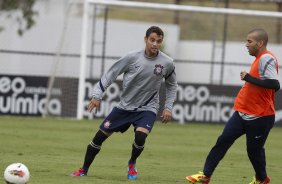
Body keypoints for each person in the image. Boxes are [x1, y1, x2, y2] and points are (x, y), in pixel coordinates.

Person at [71, 26, 178, 180]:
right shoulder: (131, 57)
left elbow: (172, 85)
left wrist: (168, 107)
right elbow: (111, 74)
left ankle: (132, 163)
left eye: (159, 41)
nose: (155, 44)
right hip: (124, 107)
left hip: (147, 108)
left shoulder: (167, 63)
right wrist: (97, 95)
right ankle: (83, 170)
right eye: (152, 40)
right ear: (145, 39)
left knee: (141, 137)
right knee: (98, 138)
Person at [186, 28, 280, 184]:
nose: (246, 45)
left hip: (260, 116)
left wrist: (249, 78)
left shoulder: (266, 58)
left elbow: (274, 84)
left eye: (249, 41)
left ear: (260, 43)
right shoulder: (259, 58)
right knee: (223, 141)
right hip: (242, 113)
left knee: (254, 152)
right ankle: (205, 175)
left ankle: (262, 179)